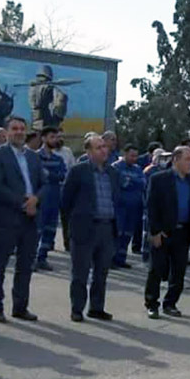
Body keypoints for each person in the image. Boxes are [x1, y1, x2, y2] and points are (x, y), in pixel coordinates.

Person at [0, 116, 45, 322]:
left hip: (30, 219)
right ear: (6, 132)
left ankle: (20, 307)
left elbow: (44, 184)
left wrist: (36, 200)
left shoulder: (34, 157)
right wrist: (24, 203)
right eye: (14, 129)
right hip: (6, 217)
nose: (19, 132)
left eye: (22, 128)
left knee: (25, 266)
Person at [61, 134, 121, 321]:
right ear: (88, 151)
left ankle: (96, 307)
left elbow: (116, 200)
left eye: (104, 146)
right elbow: (65, 202)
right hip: (85, 228)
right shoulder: (78, 171)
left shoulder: (112, 172)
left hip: (107, 228)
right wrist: (69, 231)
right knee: (80, 272)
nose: (104, 150)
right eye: (98, 147)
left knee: (101, 272)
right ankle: (77, 309)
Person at [144, 145, 190, 319]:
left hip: (183, 232)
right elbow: (151, 207)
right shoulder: (159, 179)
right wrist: (155, 232)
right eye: (188, 159)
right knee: (156, 269)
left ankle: (170, 303)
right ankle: (152, 304)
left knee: (179, 271)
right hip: (163, 232)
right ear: (176, 159)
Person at [35, 127, 67, 271]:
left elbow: (62, 175)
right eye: (52, 137)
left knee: (50, 230)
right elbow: (37, 176)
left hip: (54, 198)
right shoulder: (35, 157)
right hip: (40, 198)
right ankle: (31, 258)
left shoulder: (58, 159)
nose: (55, 140)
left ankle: (42, 258)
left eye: (56, 137)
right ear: (43, 138)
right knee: (37, 229)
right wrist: (51, 175)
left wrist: (48, 174)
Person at [112, 144, 145, 268]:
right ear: (125, 154)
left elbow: (142, 183)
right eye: (132, 156)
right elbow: (120, 184)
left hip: (134, 207)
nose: (134, 158)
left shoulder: (137, 169)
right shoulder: (116, 167)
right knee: (117, 233)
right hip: (119, 206)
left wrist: (130, 181)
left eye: (136, 156)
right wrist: (131, 182)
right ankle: (112, 259)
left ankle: (121, 258)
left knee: (127, 234)